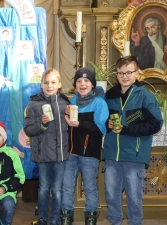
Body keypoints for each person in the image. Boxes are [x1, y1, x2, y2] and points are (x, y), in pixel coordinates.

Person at [103, 56, 163, 225]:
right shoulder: (110, 96)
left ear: (137, 73)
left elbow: (156, 124)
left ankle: (135, 222)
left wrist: (127, 129)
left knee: (134, 195)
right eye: (121, 73)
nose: (124, 76)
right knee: (112, 194)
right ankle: (115, 221)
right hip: (112, 153)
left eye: (129, 72)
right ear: (116, 74)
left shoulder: (145, 96)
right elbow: (102, 122)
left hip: (135, 155)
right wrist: (107, 124)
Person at [61, 67, 109, 225]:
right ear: (75, 84)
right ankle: (66, 218)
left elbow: (101, 129)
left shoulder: (99, 102)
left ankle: (91, 219)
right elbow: (70, 128)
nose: (82, 84)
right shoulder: (73, 101)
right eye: (79, 81)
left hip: (89, 153)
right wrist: (67, 120)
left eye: (86, 80)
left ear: (93, 84)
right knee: (67, 186)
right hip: (71, 153)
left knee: (89, 187)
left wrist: (79, 123)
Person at [24, 69, 70, 225]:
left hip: (60, 155)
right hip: (42, 154)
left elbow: (70, 129)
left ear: (60, 84)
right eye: (46, 82)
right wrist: (42, 124)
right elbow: (28, 130)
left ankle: (55, 219)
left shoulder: (66, 103)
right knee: (43, 188)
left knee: (57, 190)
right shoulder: (33, 104)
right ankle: (42, 218)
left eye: (53, 82)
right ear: (41, 84)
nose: (49, 86)